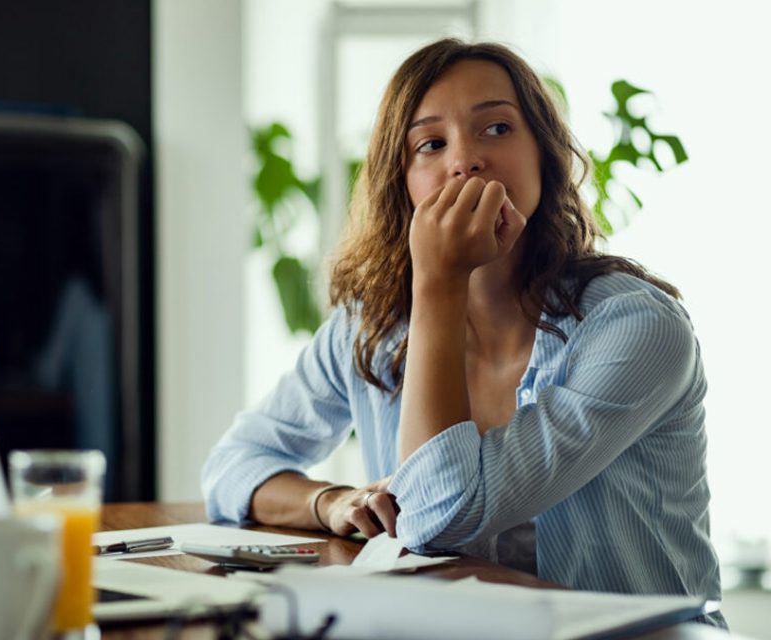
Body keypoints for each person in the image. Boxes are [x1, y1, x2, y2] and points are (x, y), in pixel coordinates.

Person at [202, 38, 724, 625]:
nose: (466, 160)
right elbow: (233, 467)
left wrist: (438, 283)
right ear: (401, 183)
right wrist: (328, 502)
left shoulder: (636, 329)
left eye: (496, 129)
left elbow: (439, 515)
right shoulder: (370, 325)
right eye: (431, 143)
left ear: (544, 156)